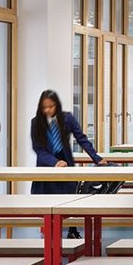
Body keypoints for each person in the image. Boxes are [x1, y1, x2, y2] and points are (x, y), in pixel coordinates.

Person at [31, 90, 105, 238]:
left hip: (66, 164)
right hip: (47, 165)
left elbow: (81, 139)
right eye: (44, 107)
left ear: (56, 105)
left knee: (70, 197)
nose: (47, 110)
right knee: (48, 199)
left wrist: (97, 158)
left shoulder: (67, 119)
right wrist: (54, 162)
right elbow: (38, 149)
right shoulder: (36, 123)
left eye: (51, 106)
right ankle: (50, 232)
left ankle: (72, 230)